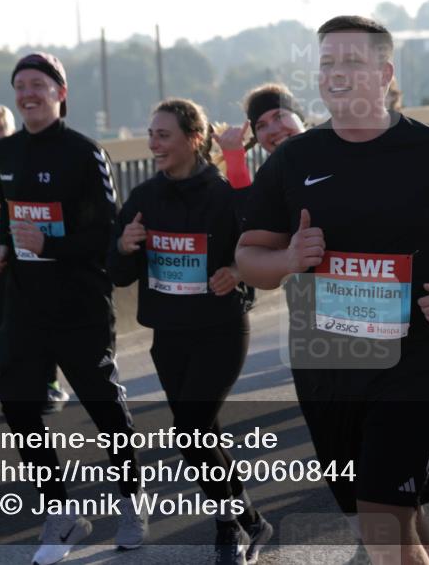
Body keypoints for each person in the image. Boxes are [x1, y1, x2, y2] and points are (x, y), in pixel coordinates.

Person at [236, 15, 429, 565]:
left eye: (352, 62)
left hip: (419, 357)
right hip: (326, 362)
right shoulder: (295, 159)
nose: (337, 73)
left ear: (384, 73)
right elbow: (247, 257)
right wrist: (288, 259)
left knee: (382, 515)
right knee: (383, 515)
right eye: (328, 63)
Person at [0, 53, 145, 565]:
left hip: (79, 302)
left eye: (38, 84)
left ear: (60, 91)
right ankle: (60, 510)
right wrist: (4, 246)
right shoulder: (3, 151)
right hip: (25, 303)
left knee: (102, 404)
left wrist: (49, 245)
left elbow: (106, 234)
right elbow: (13, 220)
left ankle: (131, 497)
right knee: (16, 401)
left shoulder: (84, 152)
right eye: (20, 86)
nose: (27, 93)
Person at [108, 98, 272, 564]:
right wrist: (123, 245)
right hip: (170, 336)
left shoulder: (222, 194)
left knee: (192, 430)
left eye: (163, 135)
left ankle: (228, 527)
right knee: (200, 436)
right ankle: (252, 521)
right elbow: (118, 273)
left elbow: (258, 240)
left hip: (220, 331)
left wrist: (236, 274)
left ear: (193, 139)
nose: (153, 143)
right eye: (151, 134)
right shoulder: (143, 198)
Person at [0, 105, 68, 415]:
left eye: (0, 129)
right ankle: (13, 383)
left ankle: (48, 384)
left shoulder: (21, 155)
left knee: (38, 319)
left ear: (11, 130)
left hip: (29, 251)